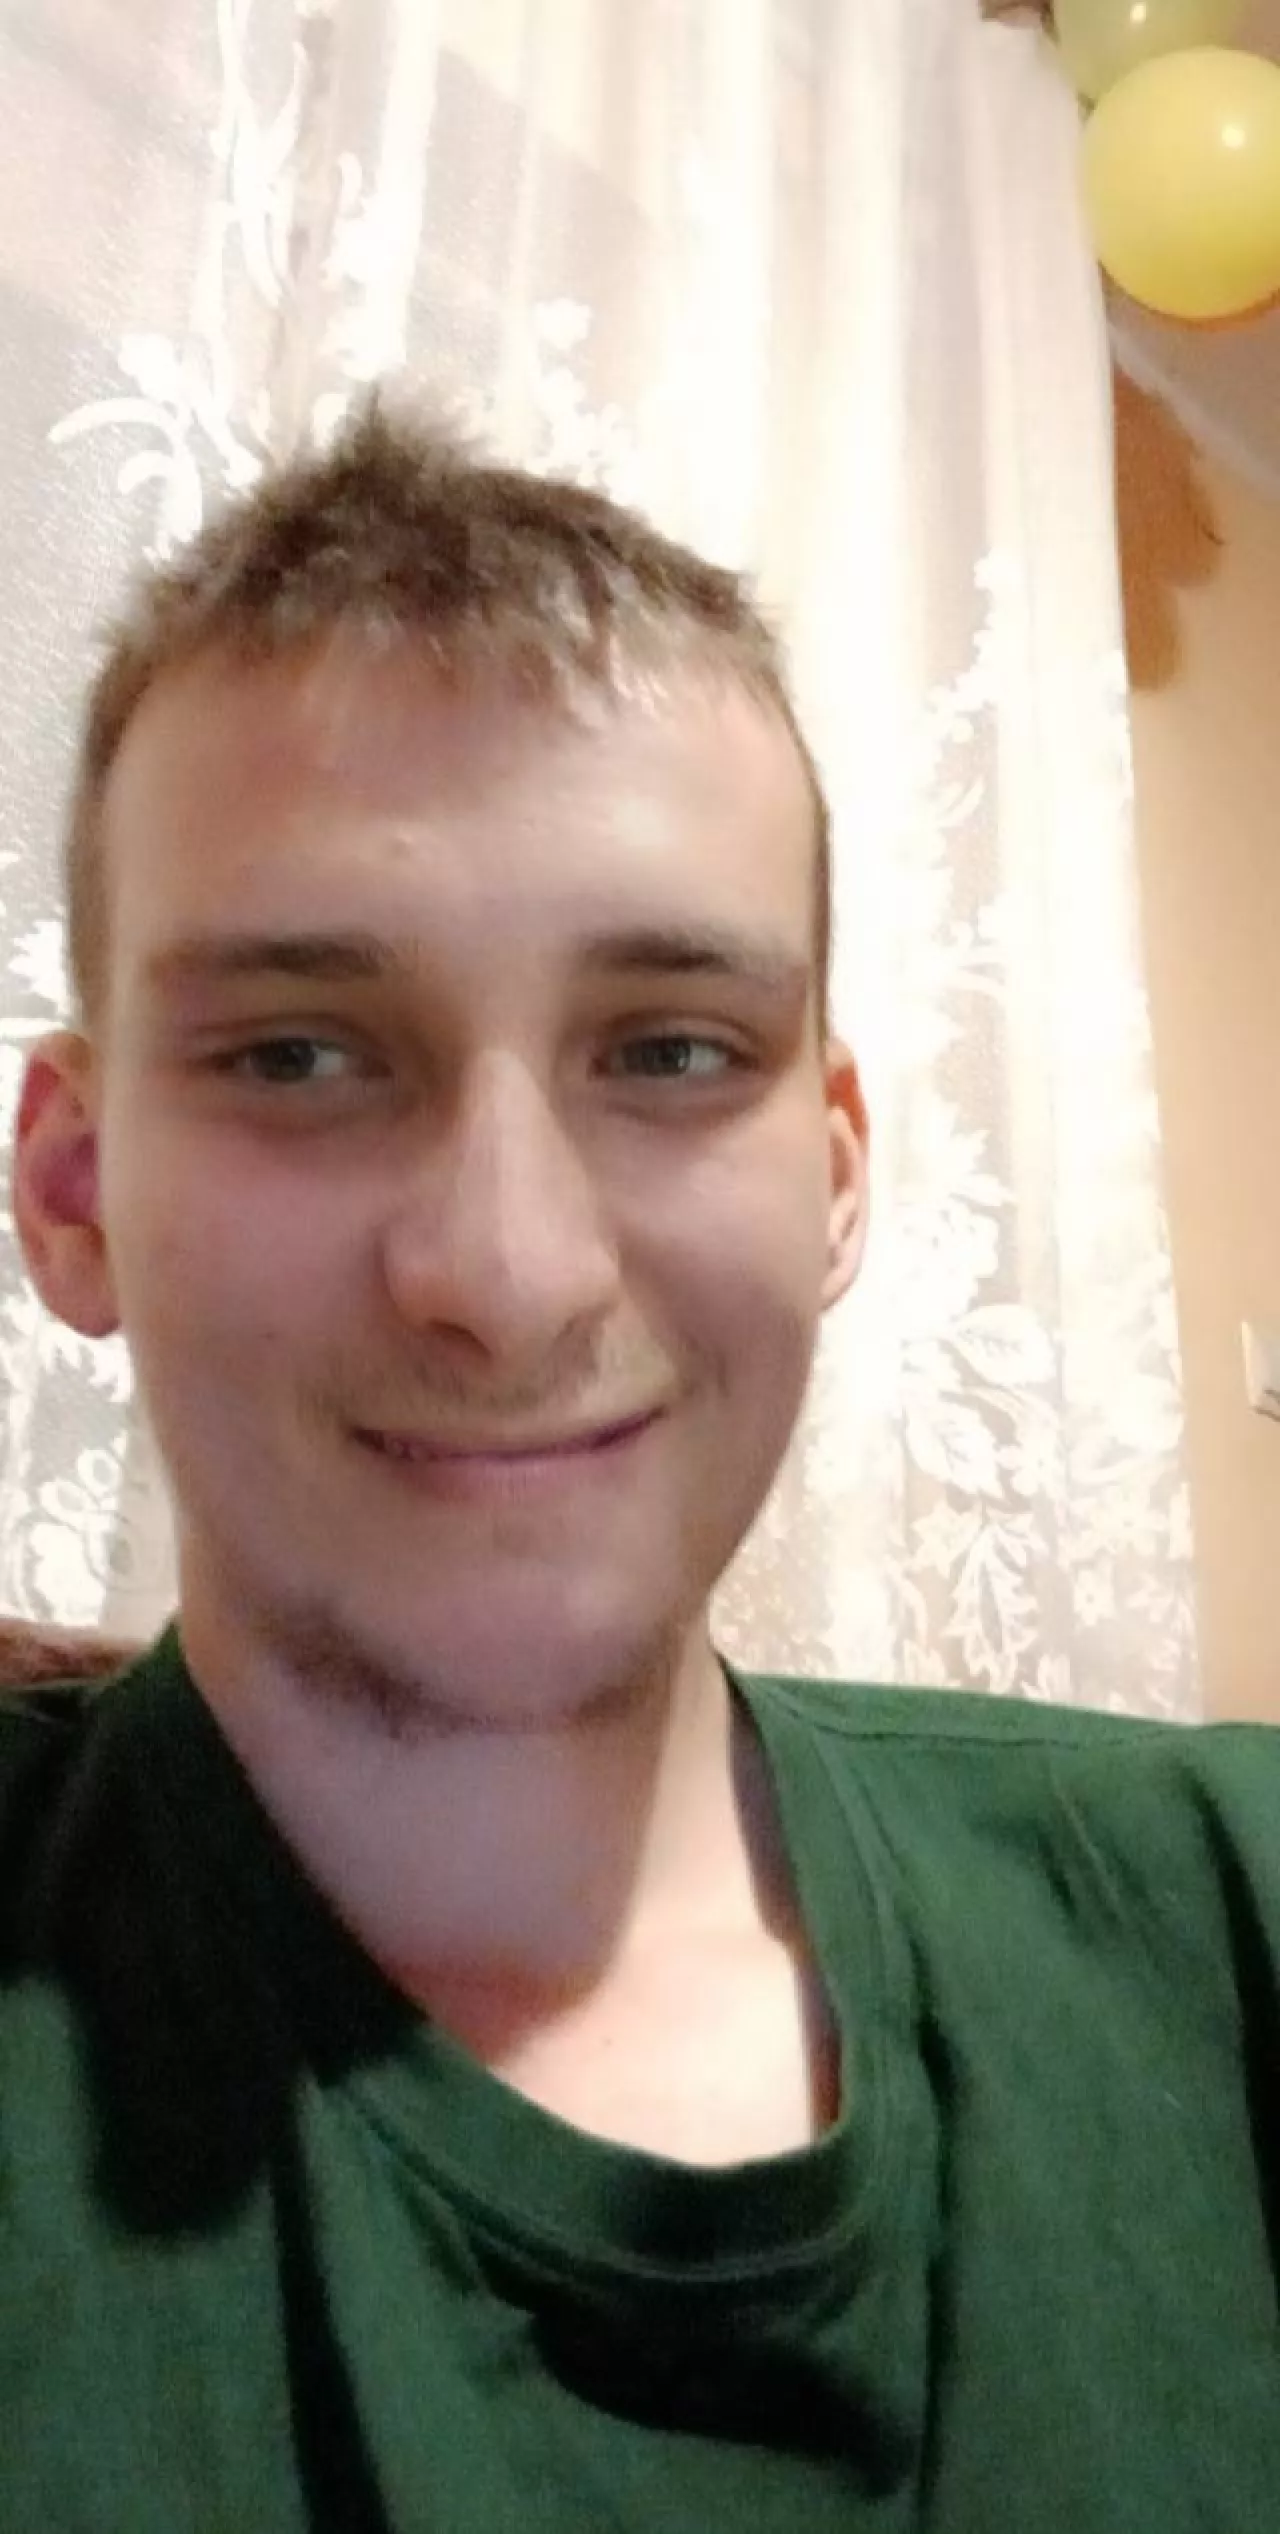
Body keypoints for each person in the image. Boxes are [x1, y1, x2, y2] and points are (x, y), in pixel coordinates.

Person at [1, 397, 1277, 2534]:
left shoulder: (1233, 1912)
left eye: (672, 1049)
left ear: (839, 1173)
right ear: (72, 1190)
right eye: (298, 1052)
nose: (509, 1274)